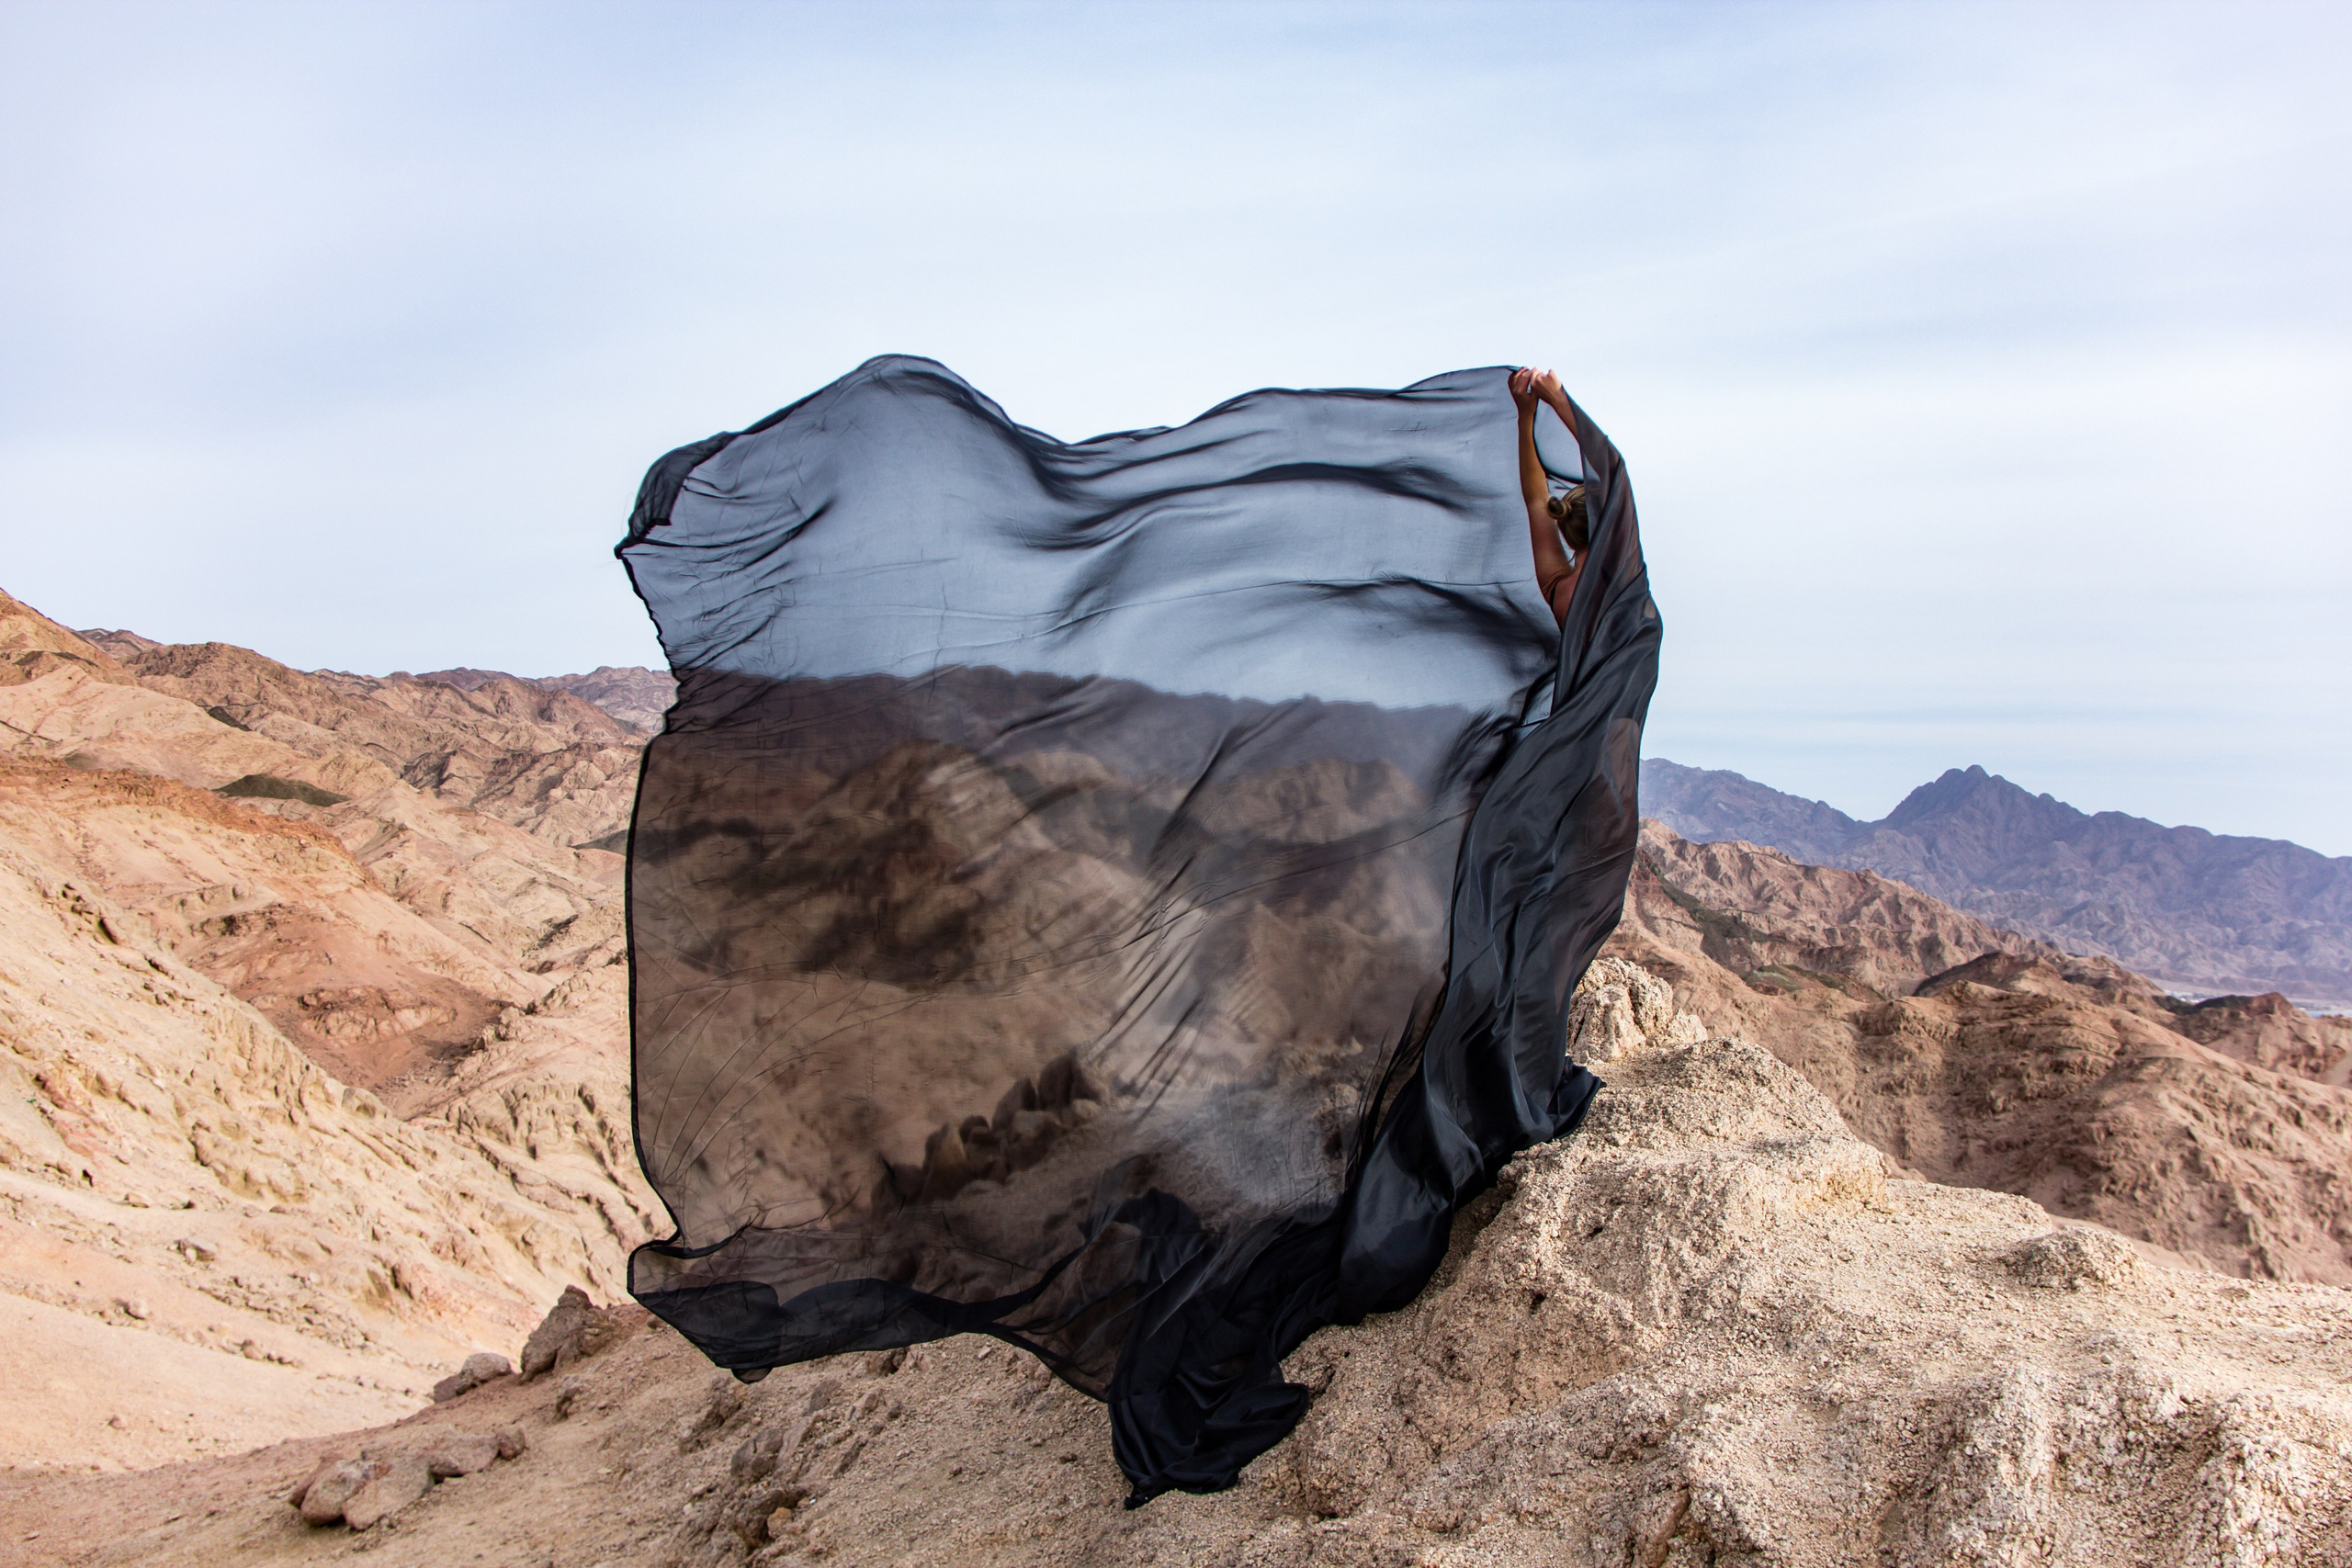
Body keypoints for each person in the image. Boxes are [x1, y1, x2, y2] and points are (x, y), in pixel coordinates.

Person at [1510, 366, 1589, 626]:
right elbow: (1613, 468)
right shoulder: (1621, 576)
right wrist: (1559, 399)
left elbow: (1536, 500)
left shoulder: (1559, 592)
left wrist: (1526, 415)